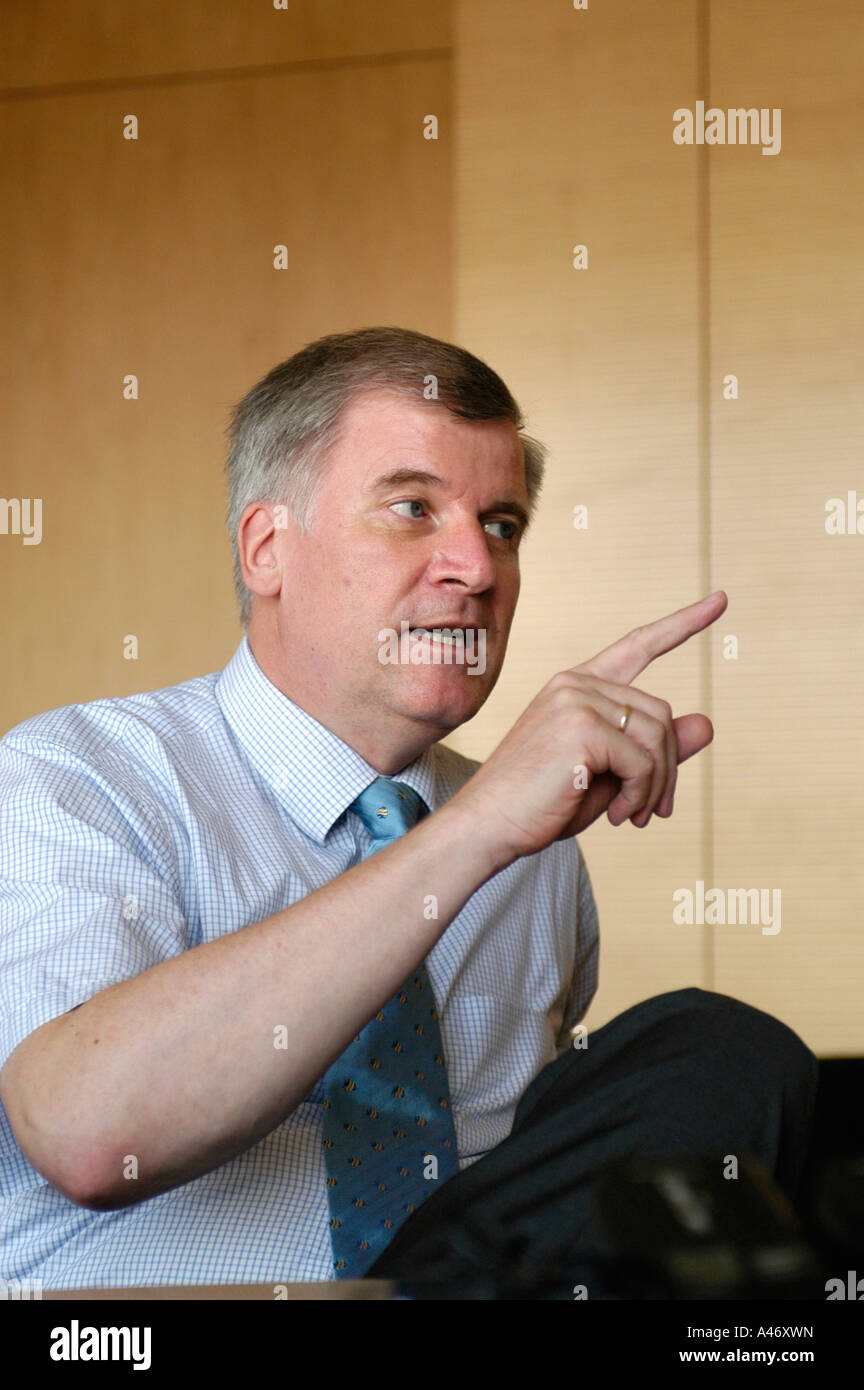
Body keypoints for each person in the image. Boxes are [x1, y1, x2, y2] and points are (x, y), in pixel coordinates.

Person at [0, 327, 816, 1292]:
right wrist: (469, 837)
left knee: (724, 1054)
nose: (475, 565)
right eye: (413, 508)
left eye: (502, 525)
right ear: (268, 547)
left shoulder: (534, 842)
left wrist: (493, 823)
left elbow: (537, 1190)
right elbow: (88, 1135)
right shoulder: (72, 777)